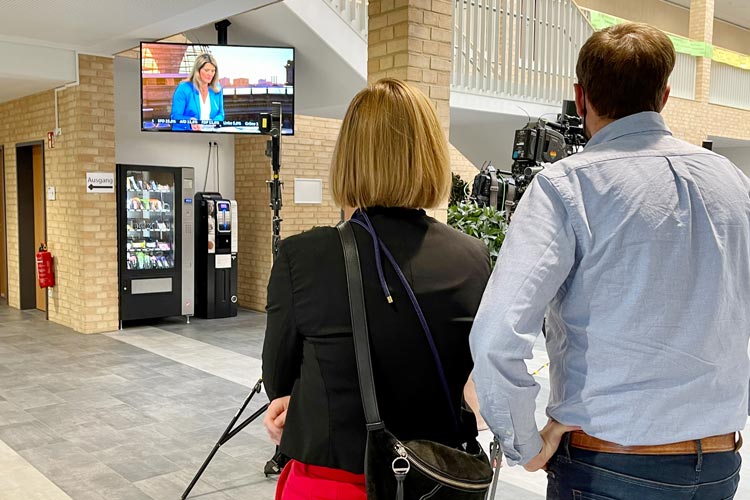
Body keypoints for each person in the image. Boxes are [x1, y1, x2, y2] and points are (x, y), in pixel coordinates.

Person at [470, 21, 750, 500]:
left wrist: (525, 443)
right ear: (663, 96)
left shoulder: (567, 187)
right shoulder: (732, 182)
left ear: (581, 99)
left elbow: (497, 335)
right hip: (718, 463)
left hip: (608, 465)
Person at [262, 78, 492, 500]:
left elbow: (278, 380)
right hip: (434, 483)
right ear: (430, 155)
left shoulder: (303, 256)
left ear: (347, 157)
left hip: (333, 480)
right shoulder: (472, 258)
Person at [170, 52, 224, 131]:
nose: (210, 74)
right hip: (188, 136)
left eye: (213, 71)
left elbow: (220, 114)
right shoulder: (184, 88)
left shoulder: (217, 88)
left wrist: (215, 122)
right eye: (206, 70)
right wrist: (190, 122)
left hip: (211, 135)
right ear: (197, 71)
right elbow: (175, 117)